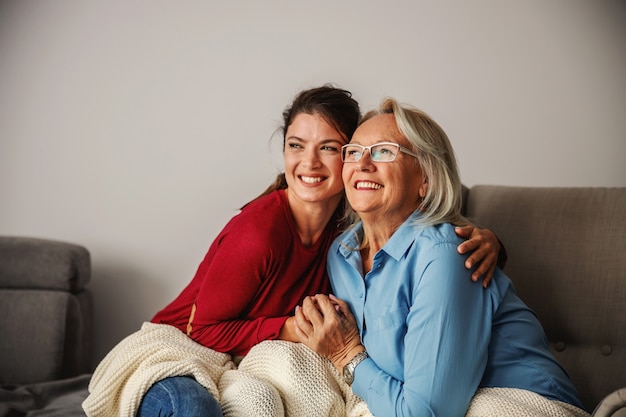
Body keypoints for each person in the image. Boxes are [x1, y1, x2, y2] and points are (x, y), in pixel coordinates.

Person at [82, 86, 503, 417]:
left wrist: (491, 243)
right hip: (180, 350)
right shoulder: (259, 233)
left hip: (245, 361)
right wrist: (288, 328)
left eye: (330, 148)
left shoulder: (352, 223)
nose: (310, 163)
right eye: (296, 145)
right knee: (194, 410)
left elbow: (430, 203)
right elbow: (201, 329)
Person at [293, 98, 589, 417]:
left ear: (426, 180)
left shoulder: (447, 254)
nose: (363, 164)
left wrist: (347, 354)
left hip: (521, 405)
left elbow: (428, 413)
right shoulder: (341, 254)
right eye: (354, 151)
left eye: (384, 151)